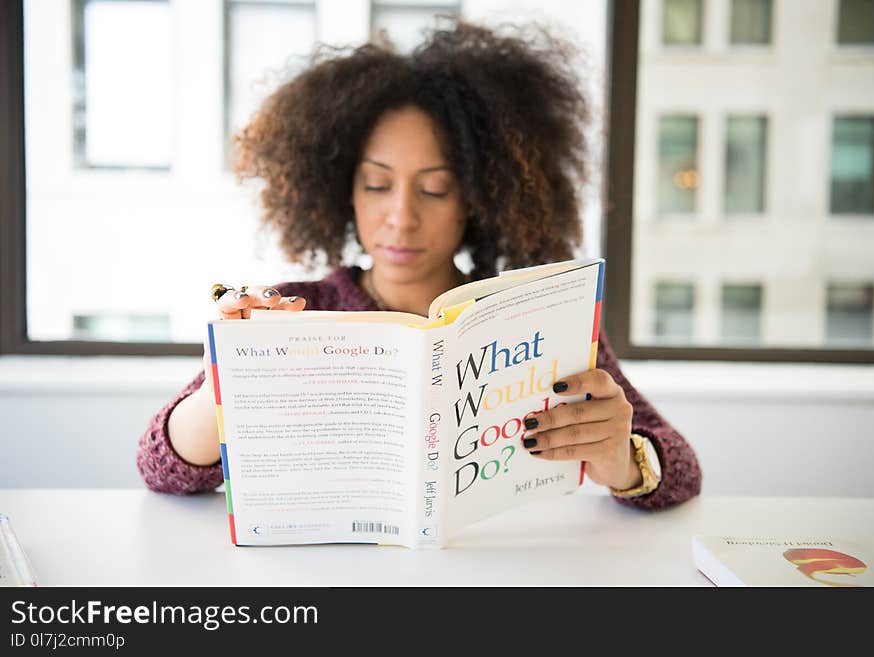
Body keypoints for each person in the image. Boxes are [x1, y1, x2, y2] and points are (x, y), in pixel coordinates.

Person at [137, 19, 701, 510]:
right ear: (341, 190)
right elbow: (161, 469)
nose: (401, 217)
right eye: (377, 184)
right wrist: (227, 382)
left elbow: (681, 469)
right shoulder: (292, 310)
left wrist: (621, 458)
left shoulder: (539, 320)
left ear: (478, 199)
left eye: (434, 189)